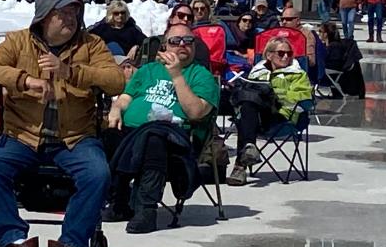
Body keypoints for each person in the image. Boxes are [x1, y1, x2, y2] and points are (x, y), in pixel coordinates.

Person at [0, 0, 124, 247]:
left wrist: (71, 71)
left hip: (75, 137)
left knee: (98, 174)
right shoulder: (18, 42)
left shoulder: (91, 44)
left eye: (73, 12)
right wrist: (22, 79)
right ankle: (18, 245)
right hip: (22, 136)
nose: (69, 19)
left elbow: (115, 80)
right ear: (43, 16)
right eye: (61, 13)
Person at [105, 23, 219, 233]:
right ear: (165, 46)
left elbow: (196, 112)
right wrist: (116, 109)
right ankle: (118, 201)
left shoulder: (201, 76)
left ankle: (146, 210)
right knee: (106, 133)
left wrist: (177, 75)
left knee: (153, 137)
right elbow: (126, 97)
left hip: (173, 138)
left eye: (188, 41)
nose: (182, 45)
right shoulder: (148, 70)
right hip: (131, 132)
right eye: (176, 41)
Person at [226, 36, 312, 186]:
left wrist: (275, 94)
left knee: (245, 114)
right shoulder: (258, 72)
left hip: (282, 116)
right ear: (269, 55)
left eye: (289, 53)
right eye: (281, 53)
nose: (286, 56)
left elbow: (302, 97)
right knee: (244, 104)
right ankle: (249, 147)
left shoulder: (298, 74)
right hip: (257, 117)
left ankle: (240, 167)